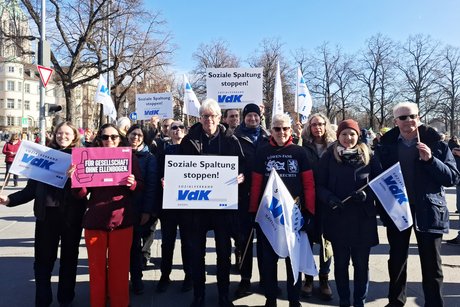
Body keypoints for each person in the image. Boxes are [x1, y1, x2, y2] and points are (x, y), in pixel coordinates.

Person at [375, 102, 460, 307]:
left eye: (412, 116)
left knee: (432, 264)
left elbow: (452, 178)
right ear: (395, 121)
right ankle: (395, 301)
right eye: (402, 118)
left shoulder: (435, 142)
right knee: (396, 259)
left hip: (429, 208)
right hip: (398, 209)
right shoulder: (386, 145)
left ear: (419, 117)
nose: (408, 121)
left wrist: (431, 160)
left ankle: (434, 303)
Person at [0, 122, 86, 307]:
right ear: (54, 135)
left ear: (74, 136)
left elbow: (83, 194)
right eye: (59, 133)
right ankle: (43, 299)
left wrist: (74, 179)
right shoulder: (43, 156)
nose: (62, 136)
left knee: (69, 259)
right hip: (47, 216)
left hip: (72, 217)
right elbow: (30, 190)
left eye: (67, 134)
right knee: (43, 261)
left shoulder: (81, 157)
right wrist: (9, 200)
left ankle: (65, 297)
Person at [179, 98, 244, 307]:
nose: (209, 120)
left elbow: (242, 167)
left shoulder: (230, 140)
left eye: (213, 116)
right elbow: (180, 170)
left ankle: (223, 295)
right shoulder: (189, 140)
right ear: (200, 118)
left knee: (223, 253)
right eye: (205, 116)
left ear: (219, 118)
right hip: (196, 208)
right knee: (196, 254)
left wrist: (241, 177)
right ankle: (199, 295)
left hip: (222, 208)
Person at [72, 123, 143, 307]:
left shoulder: (130, 158)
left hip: (121, 220)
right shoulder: (88, 158)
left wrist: (133, 183)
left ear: (120, 139)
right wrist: (75, 180)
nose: (109, 140)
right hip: (95, 220)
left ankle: (119, 303)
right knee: (96, 270)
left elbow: (140, 188)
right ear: (99, 139)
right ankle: (98, 303)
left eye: (114, 137)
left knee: (119, 270)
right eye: (105, 137)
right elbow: (81, 194)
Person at [249, 113, 315, 307]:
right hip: (269, 214)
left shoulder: (300, 152)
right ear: (271, 129)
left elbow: (309, 184)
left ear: (291, 130)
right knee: (268, 261)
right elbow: (255, 184)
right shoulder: (262, 152)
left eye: (285, 128)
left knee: (292, 260)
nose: (281, 132)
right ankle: (270, 299)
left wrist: (310, 211)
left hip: (294, 215)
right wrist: (253, 212)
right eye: (277, 128)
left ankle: (294, 299)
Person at [315, 119, 380, 307]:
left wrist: (367, 194)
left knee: (361, 266)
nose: (348, 138)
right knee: (341, 265)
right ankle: (344, 300)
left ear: (358, 135)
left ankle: (359, 301)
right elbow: (319, 184)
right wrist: (329, 198)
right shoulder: (329, 156)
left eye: (352, 134)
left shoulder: (370, 155)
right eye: (344, 134)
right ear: (338, 136)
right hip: (338, 219)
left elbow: (381, 182)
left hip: (363, 221)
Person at [232, 103, 270, 298]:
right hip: (243, 197)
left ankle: (265, 280)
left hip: (265, 198)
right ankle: (245, 279)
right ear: (243, 118)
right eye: (249, 116)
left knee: (264, 243)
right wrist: (235, 176)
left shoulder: (268, 138)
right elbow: (228, 163)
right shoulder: (234, 139)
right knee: (244, 241)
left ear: (260, 117)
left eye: (255, 116)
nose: (252, 119)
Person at [299, 113, 336, 301]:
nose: (318, 128)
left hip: (328, 200)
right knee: (307, 239)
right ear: (309, 127)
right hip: (308, 199)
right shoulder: (303, 146)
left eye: (321, 124)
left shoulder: (334, 146)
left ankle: (324, 278)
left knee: (325, 242)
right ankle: (308, 278)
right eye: (314, 124)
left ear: (326, 125)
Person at [156, 120, 193, 293]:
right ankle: (165, 275)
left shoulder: (192, 148)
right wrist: (161, 180)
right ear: (168, 132)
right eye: (174, 128)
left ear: (185, 131)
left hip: (186, 202)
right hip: (168, 202)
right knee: (167, 241)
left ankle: (189, 275)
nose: (177, 130)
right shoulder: (162, 149)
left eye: (180, 128)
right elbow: (156, 172)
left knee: (187, 241)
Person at [126, 124, 158, 295]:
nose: (135, 137)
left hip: (138, 209)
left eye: (139, 135)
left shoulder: (149, 157)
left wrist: (147, 210)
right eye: (133, 134)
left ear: (144, 138)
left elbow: (151, 186)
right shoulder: (118, 154)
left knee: (135, 246)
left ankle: (136, 278)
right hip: (119, 209)